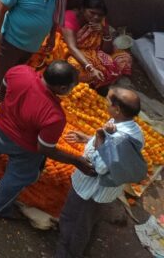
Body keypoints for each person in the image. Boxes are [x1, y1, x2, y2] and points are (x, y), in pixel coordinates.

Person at [0, 61, 94, 220]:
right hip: (24, 148)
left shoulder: (19, 72)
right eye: (72, 86)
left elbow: (3, 90)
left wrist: (8, 107)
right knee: (16, 178)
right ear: (63, 88)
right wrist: (76, 160)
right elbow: (45, 149)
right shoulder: (55, 116)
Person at [56, 86, 145, 258]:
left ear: (117, 109)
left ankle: (67, 252)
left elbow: (100, 167)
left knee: (74, 223)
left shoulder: (117, 136)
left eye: (109, 100)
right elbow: (118, 156)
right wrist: (88, 138)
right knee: (86, 222)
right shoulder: (134, 129)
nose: (105, 102)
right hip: (105, 192)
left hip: (90, 191)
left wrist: (100, 139)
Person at [60, 0, 131, 91]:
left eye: (100, 15)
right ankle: (92, 83)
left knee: (124, 58)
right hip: (71, 51)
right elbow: (72, 47)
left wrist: (105, 33)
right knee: (75, 66)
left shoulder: (101, 22)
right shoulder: (69, 17)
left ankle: (99, 80)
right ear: (82, 9)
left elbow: (106, 51)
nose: (96, 17)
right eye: (92, 13)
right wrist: (90, 68)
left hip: (93, 52)